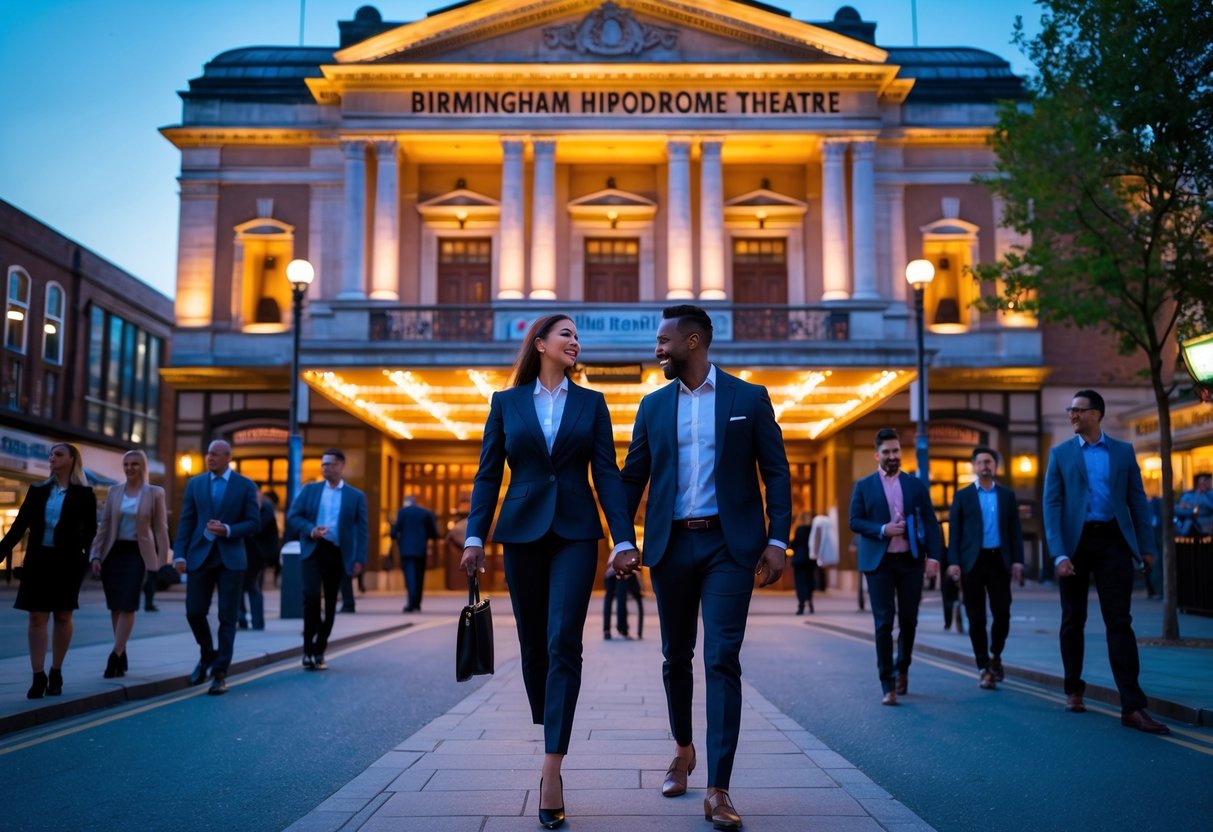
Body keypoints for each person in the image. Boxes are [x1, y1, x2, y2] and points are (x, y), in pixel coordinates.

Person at [616, 304, 791, 831]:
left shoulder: (748, 398)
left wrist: (778, 540)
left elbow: (776, 473)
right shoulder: (652, 406)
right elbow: (631, 480)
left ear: (693, 342)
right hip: (670, 548)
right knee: (675, 657)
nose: (657, 349)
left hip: (728, 550)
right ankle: (684, 751)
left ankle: (719, 787)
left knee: (721, 658)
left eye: (664, 341)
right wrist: (621, 537)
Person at [460, 313, 637, 831]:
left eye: (578, 336)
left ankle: (552, 765)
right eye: (566, 335)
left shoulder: (593, 403)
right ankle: (550, 719)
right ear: (540, 344)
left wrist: (623, 537)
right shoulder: (506, 403)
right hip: (521, 534)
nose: (575, 342)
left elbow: (606, 471)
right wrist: (475, 535)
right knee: (535, 646)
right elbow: (488, 472)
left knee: (564, 641)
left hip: (578, 533)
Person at [1043, 389, 1170, 733]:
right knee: (1073, 619)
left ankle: (1133, 706)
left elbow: (1137, 502)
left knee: (1119, 622)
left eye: (1079, 410)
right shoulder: (1060, 454)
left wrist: (1146, 548)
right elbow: (1051, 507)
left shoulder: (1123, 452)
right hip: (1075, 543)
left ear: (1096, 414)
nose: (1072, 415)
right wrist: (1059, 553)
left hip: (1113, 540)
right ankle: (1073, 690)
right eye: (1070, 410)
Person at [849, 428, 941, 706]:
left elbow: (930, 522)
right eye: (887, 452)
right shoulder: (864, 486)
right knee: (884, 622)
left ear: (902, 452)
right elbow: (855, 521)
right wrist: (882, 529)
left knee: (909, 620)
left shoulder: (915, 486)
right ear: (877, 455)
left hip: (910, 561)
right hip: (879, 563)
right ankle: (887, 683)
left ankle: (903, 667)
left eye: (896, 451)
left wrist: (934, 556)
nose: (892, 456)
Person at [0, 443, 97, 699]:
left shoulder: (84, 495)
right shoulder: (37, 491)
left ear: (72, 459)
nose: (52, 458)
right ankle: (37, 675)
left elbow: (90, 534)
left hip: (68, 563)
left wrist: (90, 561)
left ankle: (56, 670)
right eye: (51, 455)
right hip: (38, 562)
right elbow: (19, 526)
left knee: (63, 616)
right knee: (36, 617)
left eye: (58, 454)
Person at [174, 439, 260, 696]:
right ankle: (207, 654)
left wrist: (228, 530)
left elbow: (254, 523)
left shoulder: (245, 486)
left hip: (231, 560)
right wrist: (179, 554)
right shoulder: (196, 483)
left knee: (227, 617)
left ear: (227, 457)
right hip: (200, 556)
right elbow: (186, 522)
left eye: (215, 454)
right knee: (194, 612)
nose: (209, 458)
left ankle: (219, 673)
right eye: (208, 453)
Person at [945, 446, 1024, 690]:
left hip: (999, 560)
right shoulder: (963, 496)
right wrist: (954, 562)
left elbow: (1014, 531)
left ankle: (995, 655)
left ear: (995, 466)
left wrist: (1018, 560)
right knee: (976, 617)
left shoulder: (1007, 496)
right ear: (974, 467)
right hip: (973, 562)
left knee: (1002, 613)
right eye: (980, 463)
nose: (985, 466)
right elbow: (955, 532)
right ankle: (983, 667)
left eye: (988, 461)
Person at [89, 450, 171, 678]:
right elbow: (103, 527)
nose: (129, 468)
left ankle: (114, 655)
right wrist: (95, 555)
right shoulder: (115, 491)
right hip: (113, 553)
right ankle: (122, 651)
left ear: (143, 467)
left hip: (137, 554)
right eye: (126, 464)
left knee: (128, 603)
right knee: (116, 605)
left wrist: (163, 561)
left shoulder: (155, 493)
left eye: (134, 464)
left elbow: (161, 529)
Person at [287, 449, 368, 670]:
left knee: (331, 603)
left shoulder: (355, 496)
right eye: (323, 464)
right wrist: (310, 529)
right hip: (313, 550)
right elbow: (293, 516)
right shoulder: (310, 490)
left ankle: (319, 650)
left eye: (330, 464)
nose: (325, 468)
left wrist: (360, 559)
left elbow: (362, 530)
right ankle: (307, 650)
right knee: (311, 598)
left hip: (337, 553)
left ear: (341, 466)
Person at [391, 494, 439, 612]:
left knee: (410, 576)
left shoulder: (402, 512)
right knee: (419, 576)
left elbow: (394, 531)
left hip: (406, 549)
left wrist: (396, 538)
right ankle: (417, 603)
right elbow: (434, 532)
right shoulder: (426, 513)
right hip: (420, 548)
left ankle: (411, 602)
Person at [239, 489, 279, 630]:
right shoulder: (246, 509)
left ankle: (257, 623)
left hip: (257, 556)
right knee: (239, 588)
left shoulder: (265, 510)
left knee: (252, 587)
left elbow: (256, 527)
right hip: (244, 553)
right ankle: (242, 620)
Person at [789, 512, 815, 614]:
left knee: (800, 582)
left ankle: (801, 604)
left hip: (799, 559)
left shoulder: (799, 529)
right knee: (809, 580)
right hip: (810, 559)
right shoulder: (812, 529)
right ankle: (810, 600)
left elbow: (795, 543)